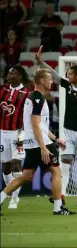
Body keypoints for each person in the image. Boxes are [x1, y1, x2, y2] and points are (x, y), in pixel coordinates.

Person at [0, 68, 76, 216]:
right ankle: (58, 208)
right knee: (56, 171)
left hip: (32, 142)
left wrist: (55, 139)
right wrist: (43, 147)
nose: (52, 81)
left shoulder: (33, 96)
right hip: (39, 143)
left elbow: (40, 125)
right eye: (49, 79)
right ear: (41, 81)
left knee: (26, 176)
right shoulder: (38, 98)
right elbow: (35, 124)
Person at [36, 46, 77, 207]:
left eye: (70, 74)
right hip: (67, 131)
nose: (67, 76)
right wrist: (41, 62)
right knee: (65, 164)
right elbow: (54, 75)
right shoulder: (68, 86)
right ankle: (62, 195)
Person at [0, 66, 31, 209]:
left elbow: (28, 117)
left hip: (17, 132)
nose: (9, 75)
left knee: (16, 165)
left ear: (20, 76)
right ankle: (12, 194)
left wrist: (23, 135)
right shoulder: (2, 90)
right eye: (9, 72)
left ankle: (15, 198)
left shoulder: (26, 93)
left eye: (13, 73)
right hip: (2, 132)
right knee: (5, 167)